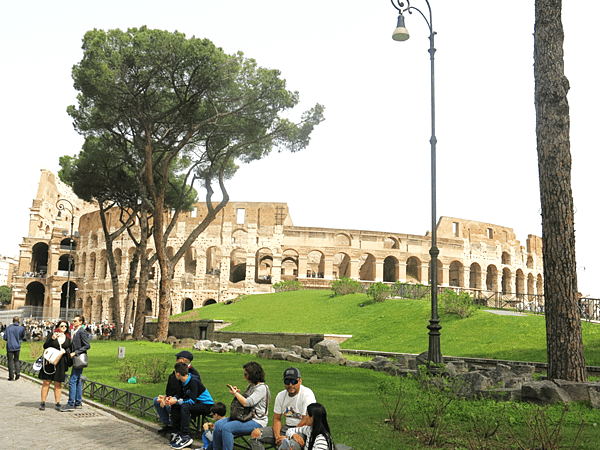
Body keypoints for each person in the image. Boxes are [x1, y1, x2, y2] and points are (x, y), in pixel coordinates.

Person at [251, 367, 316, 450]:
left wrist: (287, 437)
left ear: (300, 381)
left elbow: (305, 421)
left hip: (302, 430)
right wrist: (277, 436)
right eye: (287, 382)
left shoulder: (307, 395)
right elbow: (277, 419)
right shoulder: (280, 396)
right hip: (286, 427)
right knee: (255, 434)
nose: (290, 385)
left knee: (289, 445)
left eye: (294, 381)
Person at [212, 361, 270, 450]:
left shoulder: (262, 388)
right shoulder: (251, 386)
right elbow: (245, 400)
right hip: (245, 417)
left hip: (257, 421)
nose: (244, 377)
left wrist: (235, 394)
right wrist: (239, 394)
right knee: (218, 425)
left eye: (246, 375)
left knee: (227, 428)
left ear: (253, 374)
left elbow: (247, 403)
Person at [167, 361, 214, 449]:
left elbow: (192, 400)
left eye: (174, 372)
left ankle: (185, 437)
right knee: (176, 406)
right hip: (196, 403)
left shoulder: (193, 381)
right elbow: (180, 394)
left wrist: (177, 401)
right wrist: (173, 399)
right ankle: (178, 432)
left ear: (178, 374)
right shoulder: (182, 381)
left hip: (206, 405)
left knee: (185, 407)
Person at [155, 350, 201, 435]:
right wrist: (165, 397)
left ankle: (176, 427)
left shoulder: (193, 373)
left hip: (187, 399)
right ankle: (168, 424)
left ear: (183, 360)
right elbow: (172, 387)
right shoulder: (176, 371)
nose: (176, 361)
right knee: (156, 400)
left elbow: (188, 392)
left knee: (172, 405)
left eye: (177, 359)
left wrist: (172, 399)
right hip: (175, 396)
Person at [39, 320, 72, 411]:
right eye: (62, 326)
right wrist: (52, 338)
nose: (64, 328)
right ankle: (43, 402)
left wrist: (67, 352)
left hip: (60, 363)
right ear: (58, 327)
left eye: (65, 326)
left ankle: (57, 403)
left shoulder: (68, 338)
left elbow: (69, 349)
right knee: (46, 382)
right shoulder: (52, 335)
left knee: (58, 383)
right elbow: (45, 346)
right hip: (50, 362)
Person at [60, 315, 91, 412]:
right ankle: (78, 402)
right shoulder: (76, 331)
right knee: (77, 381)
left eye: (75, 321)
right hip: (76, 359)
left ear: (81, 322)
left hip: (78, 358)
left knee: (72, 381)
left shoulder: (82, 332)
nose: (73, 322)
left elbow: (87, 345)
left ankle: (71, 403)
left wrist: (75, 352)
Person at [4, 316, 26, 381]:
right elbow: (22, 336)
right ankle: (17, 373)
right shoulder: (21, 328)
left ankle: (11, 376)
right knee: (16, 360)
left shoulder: (8, 328)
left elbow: (5, 337)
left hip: (10, 346)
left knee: (10, 361)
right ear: (18, 321)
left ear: (13, 321)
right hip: (17, 346)